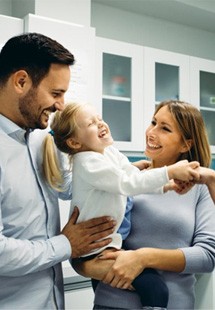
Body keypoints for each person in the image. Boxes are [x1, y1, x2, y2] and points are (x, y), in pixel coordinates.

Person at [42, 101, 200, 309]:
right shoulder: (88, 162)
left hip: (110, 245)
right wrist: (168, 173)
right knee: (155, 288)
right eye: (91, 123)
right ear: (74, 143)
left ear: (186, 144)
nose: (101, 124)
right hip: (95, 250)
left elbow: (129, 175)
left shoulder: (107, 152)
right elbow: (127, 183)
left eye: (99, 118)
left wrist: (165, 186)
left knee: (152, 287)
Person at [0, 32, 116, 309]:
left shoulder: (42, 138)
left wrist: (121, 175)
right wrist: (65, 245)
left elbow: (65, 186)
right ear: (21, 81)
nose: (61, 105)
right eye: (56, 93)